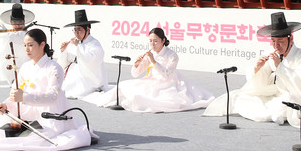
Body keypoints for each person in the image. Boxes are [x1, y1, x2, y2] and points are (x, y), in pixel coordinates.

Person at [0, 28, 95, 151]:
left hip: (49, 111)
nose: (27, 49)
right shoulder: (26, 67)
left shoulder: (54, 68)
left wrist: (25, 97)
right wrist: (6, 104)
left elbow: (52, 96)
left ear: (42, 44)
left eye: (31, 45)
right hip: (24, 108)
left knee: (36, 137)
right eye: (25, 45)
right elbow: (17, 91)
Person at [203, 12, 301, 125]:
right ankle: (276, 114)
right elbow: (258, 83)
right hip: (272, 94)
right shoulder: (271, 53)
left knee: (287, 102)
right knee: (240, 98)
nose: (276, 45)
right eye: (273, 41)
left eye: (280, 41)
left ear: (290, 38)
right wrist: (258, 69)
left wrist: (281, 67)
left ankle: (279, 113)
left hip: (291, 96)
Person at [83, 27, 214, 113]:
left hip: (168, 82)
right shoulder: (150, 53)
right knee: (123, 86)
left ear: (163, 40)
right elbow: (135, 74)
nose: (152, 44)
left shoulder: (172, 55)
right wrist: (137, 64)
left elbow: (168, 75)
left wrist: (154, 61)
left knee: (149, 97)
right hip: (150, 80)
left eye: (155, 41)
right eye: (150, 41)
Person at [58, 9, 109, 99]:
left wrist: (78, 47)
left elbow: (90, 61)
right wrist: (64, 51)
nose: (76, 33)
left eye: (79, 30)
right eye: (75, 30)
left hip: (89, 79)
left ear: (87, 30)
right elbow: (64, 62)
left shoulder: (95, 44)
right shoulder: (75, 43)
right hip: (74, 76)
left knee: (77, 91)